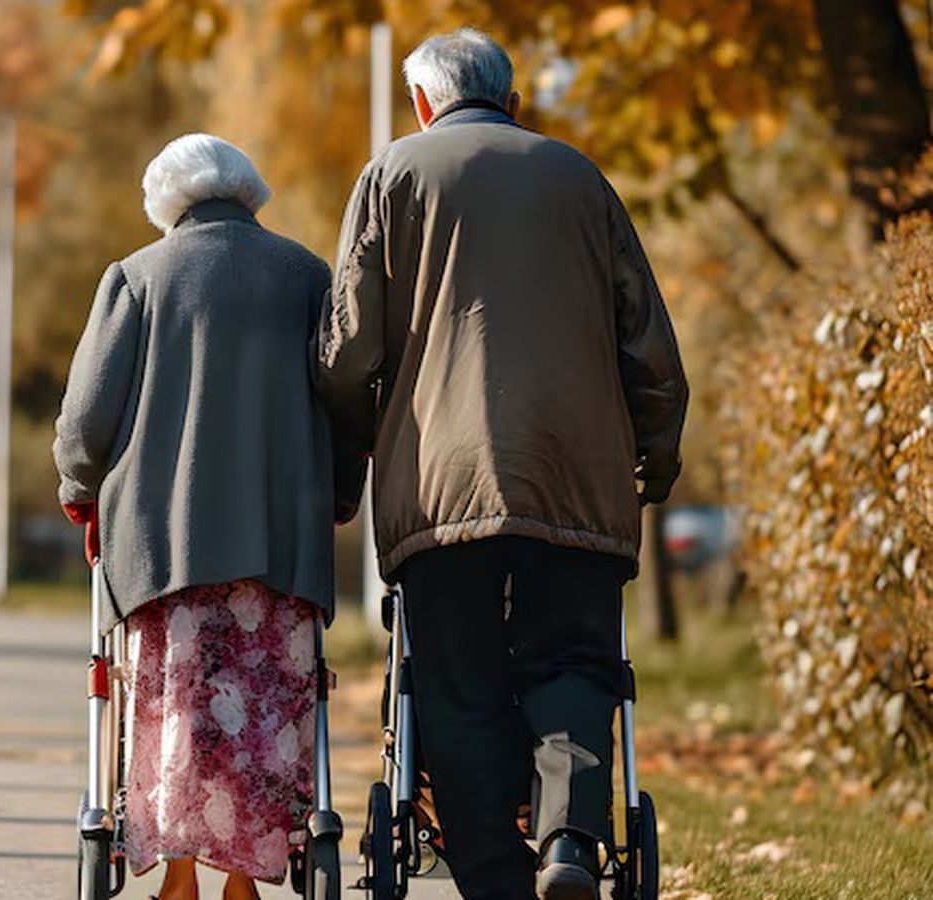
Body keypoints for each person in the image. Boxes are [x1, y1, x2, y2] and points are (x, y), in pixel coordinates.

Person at [315, 28, 689, 900]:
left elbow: (345, 352)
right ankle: (567, 840)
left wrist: (350, 454)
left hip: (443, 486)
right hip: (576, 474)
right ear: (512, 102)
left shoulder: (394, 176)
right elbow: (648, 343)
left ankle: (494, 877)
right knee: (573, 663)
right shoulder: (582, 180)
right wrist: (654, 458)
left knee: (459, 681)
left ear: (422, 104)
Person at [54, 134, 337, 900]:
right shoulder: (309, 278)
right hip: (280, 542)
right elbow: (344, 406)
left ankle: (177, 874)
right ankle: (241, 880)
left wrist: (79, 487)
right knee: (266, 705)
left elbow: (85, 424)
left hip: (163, 546)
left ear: (166, 203)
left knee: (175, 702)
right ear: (247, 192)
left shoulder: (136, 279)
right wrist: (336, 495)